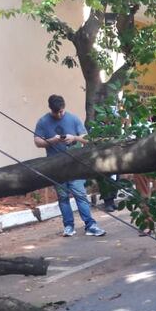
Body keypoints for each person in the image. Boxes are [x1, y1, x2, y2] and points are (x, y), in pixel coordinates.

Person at [34, 94, 106, 237]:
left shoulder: (73, 119)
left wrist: (74, 138)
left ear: (64, 107)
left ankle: (90, 225)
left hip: (74, 164)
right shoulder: (43, 121)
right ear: (51, 110)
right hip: (55, 165)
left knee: (80, 194)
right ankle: (68, 226)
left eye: (61, 111)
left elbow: (86, 139)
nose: (60, 114)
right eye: (56, 112)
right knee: (63, 197)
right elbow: (37, 141)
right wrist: (52, 141)